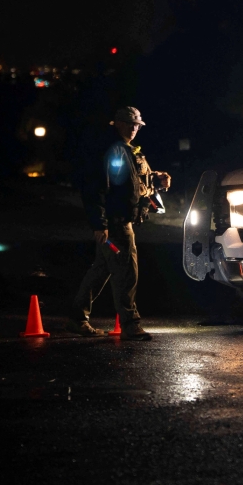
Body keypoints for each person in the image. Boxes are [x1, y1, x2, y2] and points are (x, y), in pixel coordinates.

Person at [68, 106, 171, 339]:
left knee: (101, 270)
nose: (135, 128)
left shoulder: (128, 150)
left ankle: (77, 319)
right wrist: (100, 225)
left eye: (137, 125)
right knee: (126, 272)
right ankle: (130, 325)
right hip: (117, 226)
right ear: (118, 124)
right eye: (130, 124)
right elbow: (97, 190)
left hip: (116, 224)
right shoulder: (114, 151)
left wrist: (157, 180)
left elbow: (132, 184)